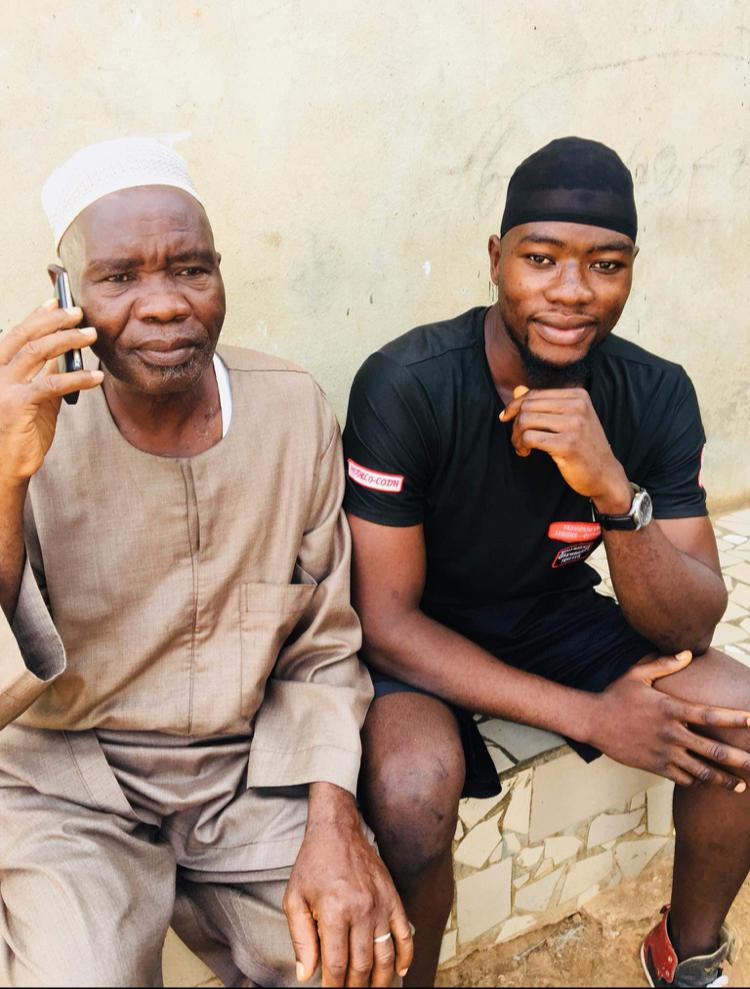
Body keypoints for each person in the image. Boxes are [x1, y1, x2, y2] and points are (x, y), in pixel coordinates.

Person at [0, 136, 413, 988]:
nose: (164, 305)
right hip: (63, 782)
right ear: (65, 291)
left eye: (190, 269)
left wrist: (334, 818)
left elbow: (324, 645)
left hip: (243, 773)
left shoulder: (292, 411)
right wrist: (5, 476)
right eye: (119, 277)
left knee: (350, 958)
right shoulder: (21, 422)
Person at [343, 136, 750, 989]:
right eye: (540, 258)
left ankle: (685, 953)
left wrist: (614, 492)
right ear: (496, 258)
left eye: (606, 264)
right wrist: (592, 716)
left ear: (630, 271)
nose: (572, 291)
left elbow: (692, 621)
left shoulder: (655, 392)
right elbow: (384, 620)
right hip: (425, 632)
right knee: (412, 795)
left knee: (740, 719)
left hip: (550, 612)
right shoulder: (406, 384)